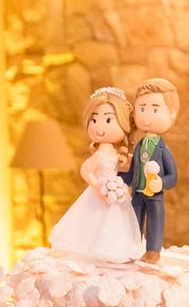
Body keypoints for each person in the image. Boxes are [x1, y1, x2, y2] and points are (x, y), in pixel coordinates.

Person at [48, 88, 143, 263]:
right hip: (100, 192)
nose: (99, 127)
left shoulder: (115, 151)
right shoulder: (100, 154)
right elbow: (86, 170)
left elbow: (124, 164)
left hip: (115, 193)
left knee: (117, 221)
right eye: (94, 120)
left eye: (108, 120)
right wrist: (97, 185)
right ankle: (95, 249)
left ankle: (115, 249)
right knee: (94, 221)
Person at [128, 78, 180, 263]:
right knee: (133, 221)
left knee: (154, 222)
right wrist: (118, 178)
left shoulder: (163, 150)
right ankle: (132, 248)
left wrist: (161, 182)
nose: (146, 116)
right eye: (142, 109)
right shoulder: (139, 146)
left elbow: (173, 176)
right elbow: (132, 171)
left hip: (154, 195)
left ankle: (152, 251)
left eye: (155, 109)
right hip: (137, 193)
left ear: (171, 114)